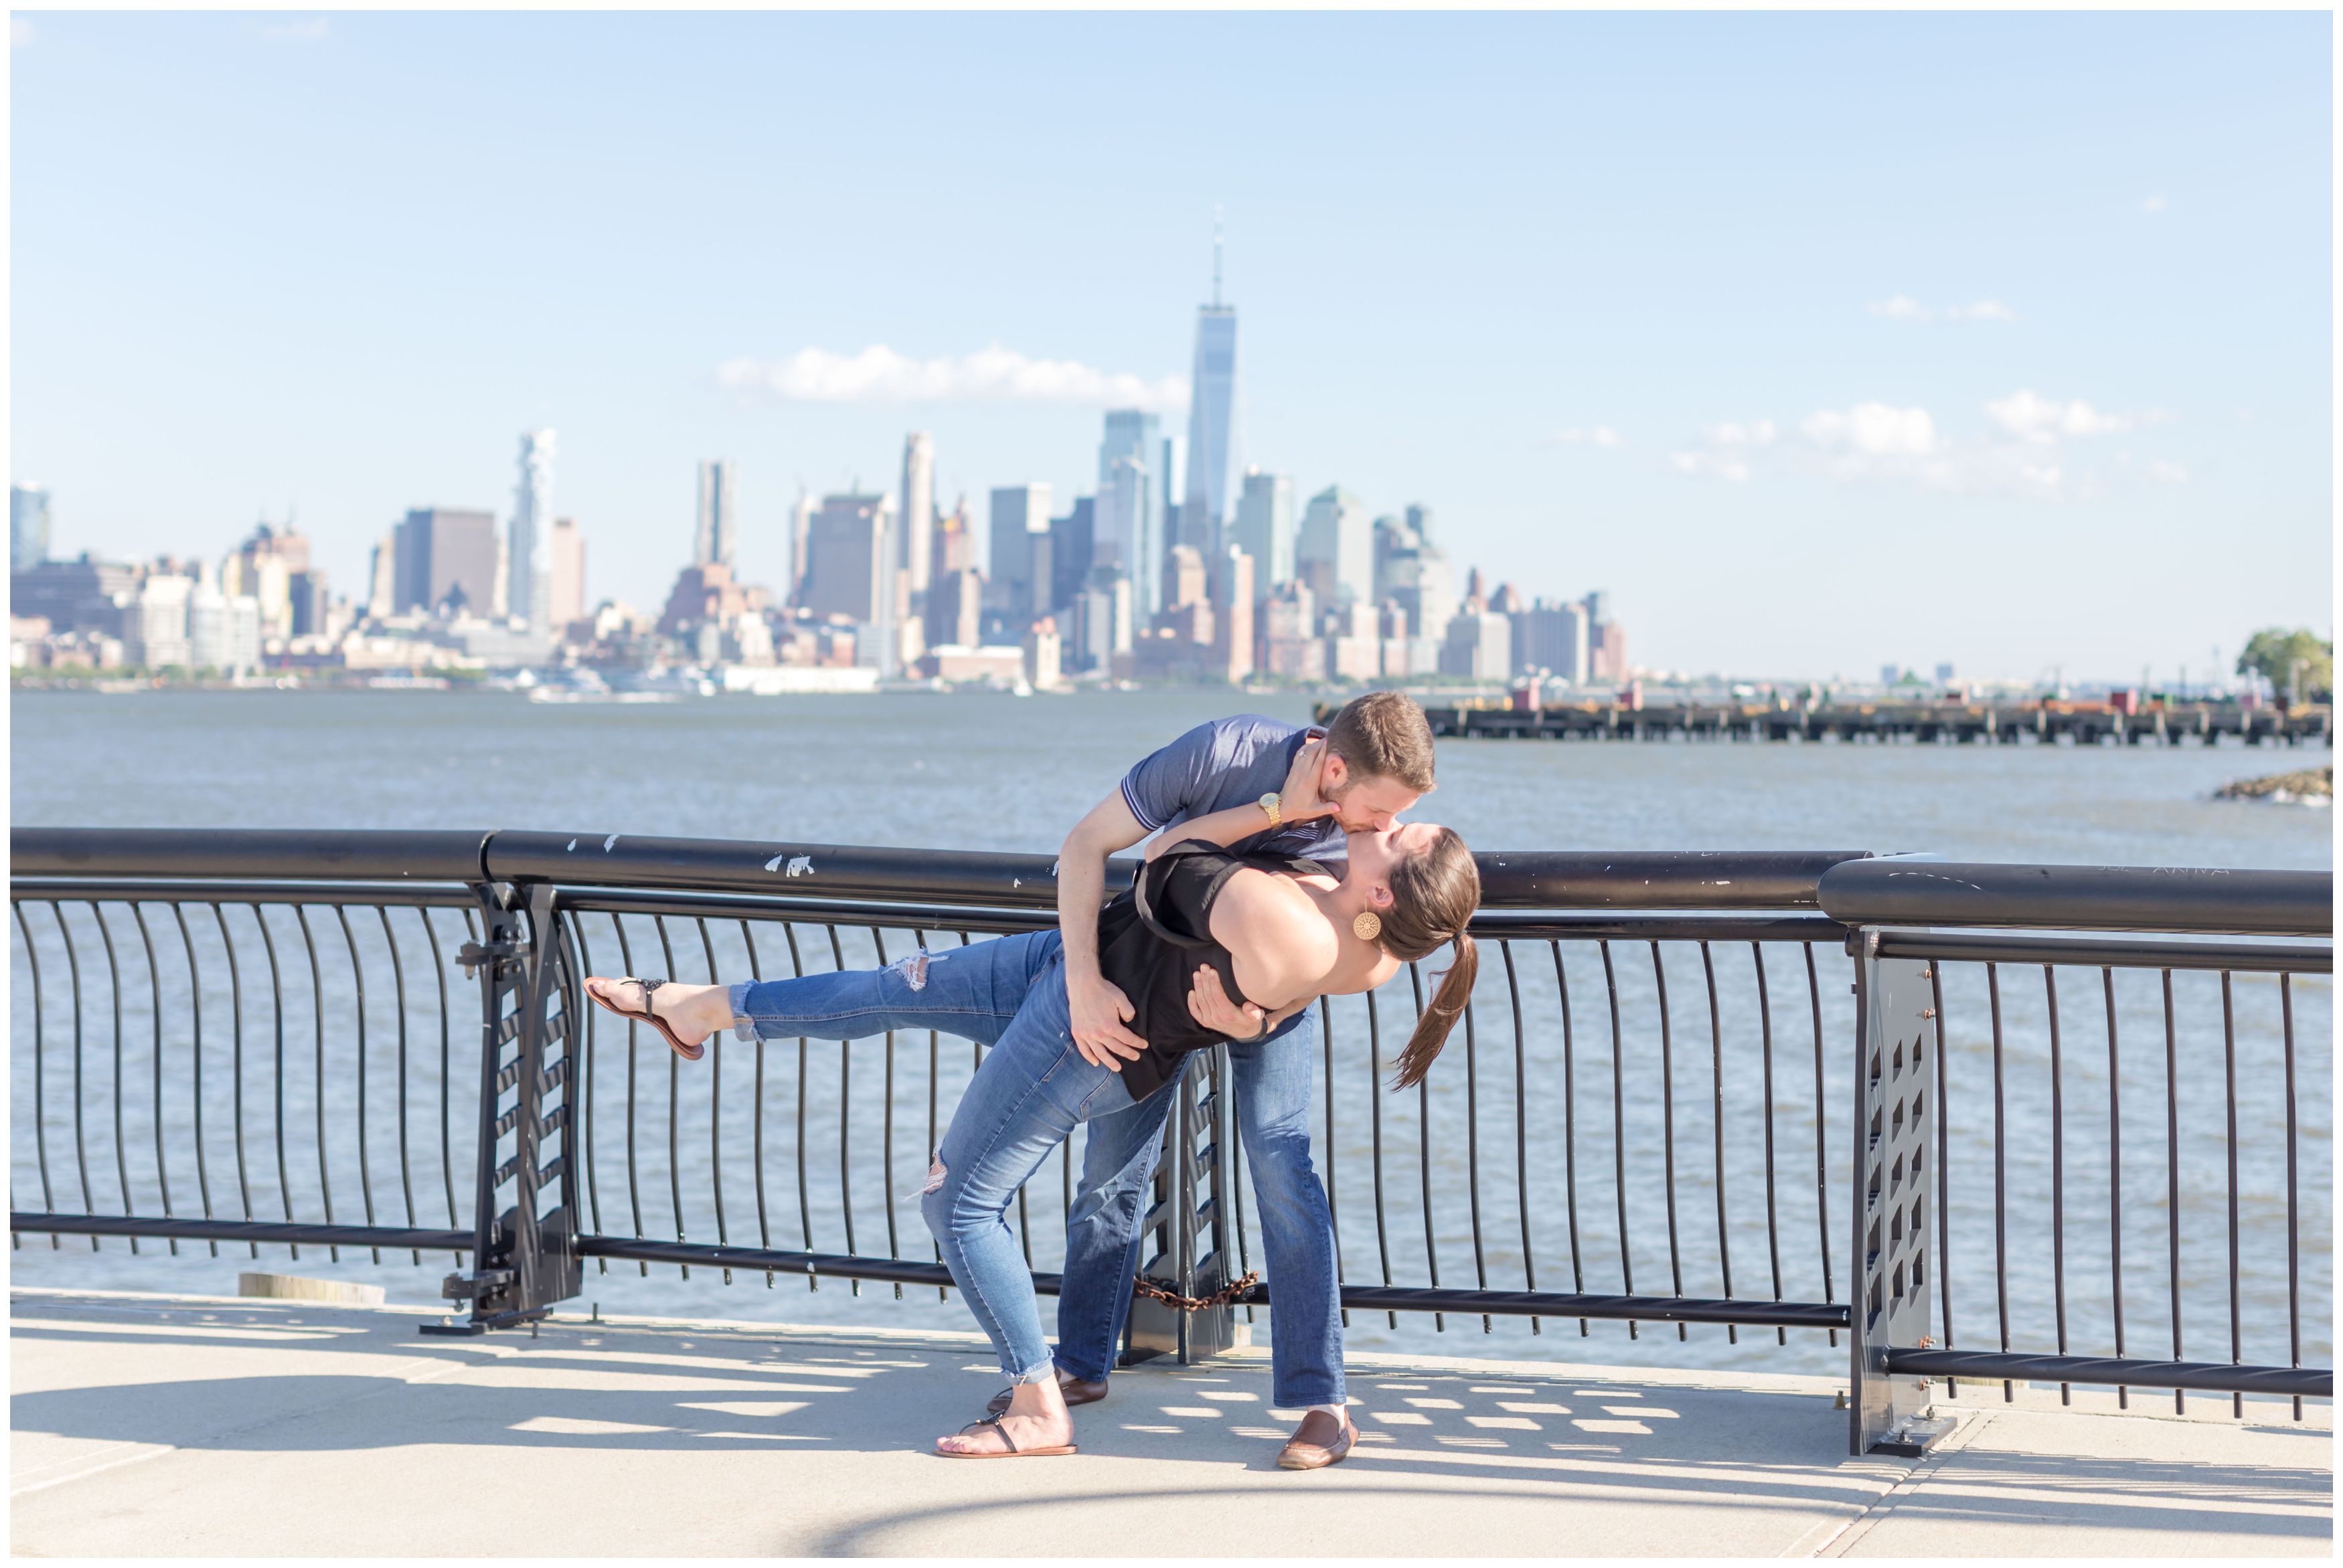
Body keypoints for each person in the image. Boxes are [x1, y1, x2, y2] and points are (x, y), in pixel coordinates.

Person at [584, 797, 1480, 1462]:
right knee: (901, 991)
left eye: (1403, 833)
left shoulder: (1315, 912)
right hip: (1080, 955)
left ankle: (1069, 1396)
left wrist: (1279, 812)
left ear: (1378, 889)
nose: (1397, 813)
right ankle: (702, 1008)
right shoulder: (1352, 873)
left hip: (1106, 1021)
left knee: (990, 1195)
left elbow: (1173, 859)